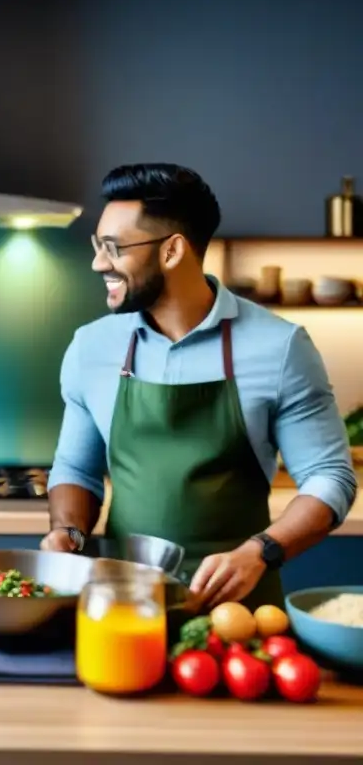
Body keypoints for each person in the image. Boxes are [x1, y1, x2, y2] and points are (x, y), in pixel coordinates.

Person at [42, 163, 357, 612]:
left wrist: (262, 551)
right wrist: (68, 532)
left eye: (113, 248)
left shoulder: (281, 347)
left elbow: (331, 478)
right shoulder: (91, 347)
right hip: (122, 609)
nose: (97, 262)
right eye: (98, 245)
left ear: (172, 251)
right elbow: (76, 468)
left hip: (239, 613)